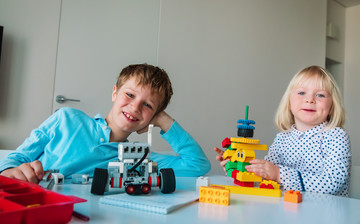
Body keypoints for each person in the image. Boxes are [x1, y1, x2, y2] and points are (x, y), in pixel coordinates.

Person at [0, 63, 211, 183]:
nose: (135, 107)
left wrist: (164, 120)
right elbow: (19, 157)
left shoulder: (136, 159)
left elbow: (197, 165)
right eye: (129, 95)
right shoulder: (67, 119)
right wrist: (8, 171)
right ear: (114, 93)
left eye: (148, 106)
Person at [214, 65, 351, 196]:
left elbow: (333, 182)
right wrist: (237, 166)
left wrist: (279, 174)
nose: (310, 99)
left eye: (320, 95)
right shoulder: (282, 138)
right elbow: (266, 176)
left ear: (332, 106)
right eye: (302, 93)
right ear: (289, 104)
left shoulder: (336, 136)